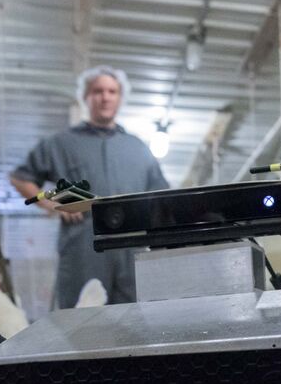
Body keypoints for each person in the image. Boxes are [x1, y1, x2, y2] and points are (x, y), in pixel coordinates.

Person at [10, 65, 169, 308]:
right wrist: (52, 204)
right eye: (98, 91)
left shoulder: (138, 148)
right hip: (83, 249)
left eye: (112, 91)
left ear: (120, 98)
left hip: (133, 250)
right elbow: (21, 178)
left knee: (136, 320)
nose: (105, 97)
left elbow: (162, 197)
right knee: (80, 323)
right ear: (86, 97)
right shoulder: (61, 143)